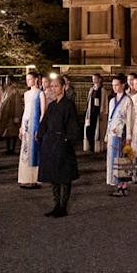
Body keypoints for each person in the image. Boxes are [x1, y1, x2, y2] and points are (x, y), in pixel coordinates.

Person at [37, 75, 79, 217]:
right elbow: (45, 122)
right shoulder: (52, 105)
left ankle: (63, 206)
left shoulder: (68, 104)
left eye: (56, 86)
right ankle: (56, 204)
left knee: (64, 176)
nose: (54, 89)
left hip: (62, 141)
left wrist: (68, 139)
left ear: (63, 87)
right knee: (54, 175)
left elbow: (73, 124)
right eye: (52, 86)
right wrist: (40, 133)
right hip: (51, 142)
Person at [18, 70, 46, 188]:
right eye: (27, 79)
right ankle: (25, 177)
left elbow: (43, 112)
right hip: (26, 124)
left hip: (35, 125)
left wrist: (40, 128)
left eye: (30, 79)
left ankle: (35, 178)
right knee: (25, 151)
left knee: (34, 151)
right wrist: (21, 127)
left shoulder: (40, 93)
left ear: (35, 80)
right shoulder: (26, 94)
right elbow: (25, 111)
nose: (28, 81)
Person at [105, 74, 132, 194]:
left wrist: (129, 136)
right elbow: (110, 119)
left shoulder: (127, 101)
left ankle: (123, 186)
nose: (115, 87)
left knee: (123, 159)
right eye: (113, 85)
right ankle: (118, 185)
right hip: (112, 134)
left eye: (117, 85)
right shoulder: (112, 101)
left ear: (123, 85)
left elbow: (130, 120)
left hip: (123, 134)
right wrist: (107, 134)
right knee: (113, 159)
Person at [0, 76, 23, 155]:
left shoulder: (14, 91)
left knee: (13, 133)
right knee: (7, 133)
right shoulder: (7, 90)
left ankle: (12, 149)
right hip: (6, 115)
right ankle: (8, 148)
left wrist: (17, 116)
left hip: (12, 115)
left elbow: (18, 104)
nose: (6, 82)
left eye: (8, 80)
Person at [83, 73, 106, 153]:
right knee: (89, 129)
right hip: (90, 112)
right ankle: (90, 145)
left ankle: (96, 147)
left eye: (95, 78)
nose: (94, 80)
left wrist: (102, 112)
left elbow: (104, 102)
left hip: (97, 112)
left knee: (97, 131)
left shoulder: (102, 90)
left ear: (99, 79)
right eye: (93, 79)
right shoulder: (91, 89)